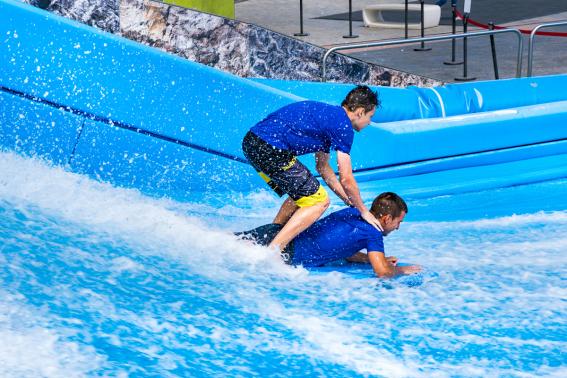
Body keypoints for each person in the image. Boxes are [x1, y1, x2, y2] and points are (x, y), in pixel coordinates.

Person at [242, 85, 382, 253]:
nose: (369, 122)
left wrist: (348, 199)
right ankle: (273, 252)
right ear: (360, 112)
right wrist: (363, 210)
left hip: (251, 143)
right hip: (270, 148)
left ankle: (270, 234)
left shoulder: (329, 117)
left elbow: (323, 167)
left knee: (301, 196)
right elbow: (346, 179)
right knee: (319, 201)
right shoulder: (343, 127)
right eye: (370, 116)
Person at [237, 192, 421, 278]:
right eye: (399, 222)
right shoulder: (373, 232)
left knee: (217, 242)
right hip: (284, 252)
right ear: (387, 218)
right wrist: (402, 270)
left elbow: (340, 247)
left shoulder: (352, 212)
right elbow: (382, 273)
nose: (397, 227)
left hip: (276, 233)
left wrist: (372, 259)